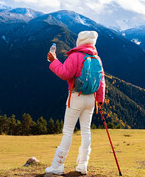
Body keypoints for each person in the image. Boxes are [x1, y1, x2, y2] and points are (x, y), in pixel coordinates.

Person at [45, 31, 105, 175]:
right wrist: (99, 100)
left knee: (68, 132)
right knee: (86, 131)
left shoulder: (76, 56)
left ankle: (58, 166)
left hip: (76, 97)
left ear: (80, 41)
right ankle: (83, 165)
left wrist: (54, 61)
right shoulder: (96, 58)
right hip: (91, 99)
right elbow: (101, 81)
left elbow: (65, 74)